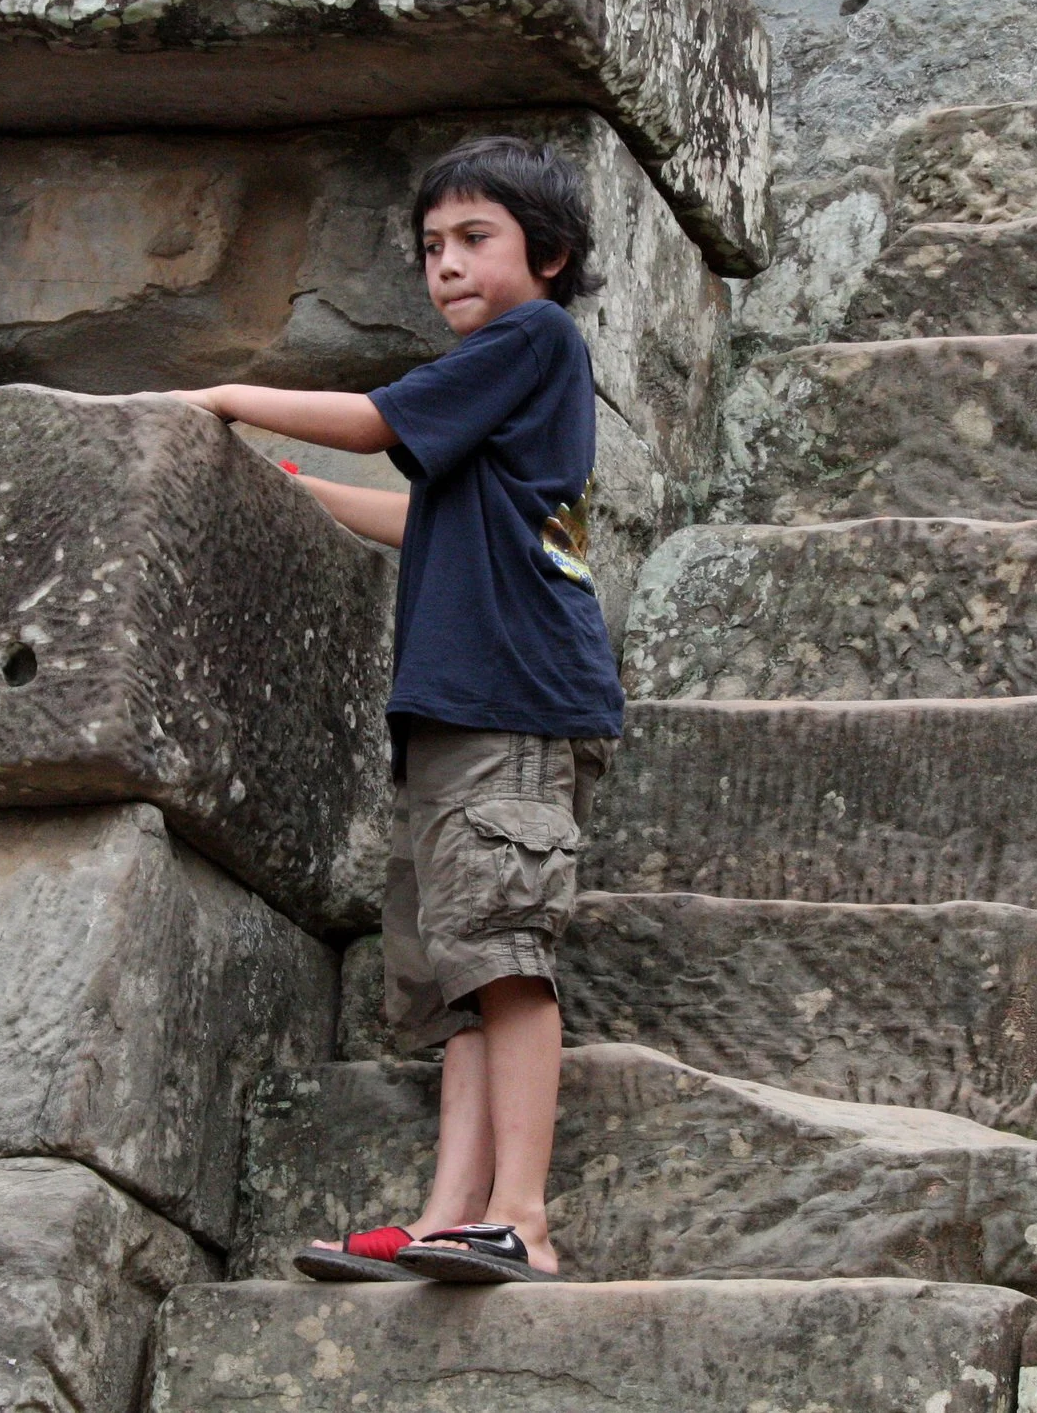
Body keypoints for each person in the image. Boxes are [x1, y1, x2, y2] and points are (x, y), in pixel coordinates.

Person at [172, 135, 624, 1282]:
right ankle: (444, 1217)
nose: (447, 265)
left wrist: (220, 397)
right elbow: (416, 521)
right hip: (455, 716)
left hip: (509, 703)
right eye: (430, 247)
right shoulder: (493, 415)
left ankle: (519, 1214)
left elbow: (378, 420)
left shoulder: (537, 338)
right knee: (459, 985)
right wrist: (278, 486)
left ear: (552, 254)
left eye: (475, 238)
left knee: (505, 959)